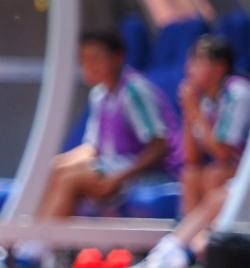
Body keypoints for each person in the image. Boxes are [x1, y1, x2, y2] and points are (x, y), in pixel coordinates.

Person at [31, 31, 176, 226]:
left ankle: (37, 247)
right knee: (47, 171)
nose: (89, 66)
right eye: (83, 59)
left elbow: (160, 146)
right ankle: (38, 240)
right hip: (111, 167)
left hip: (142, 174)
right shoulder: (99, 95)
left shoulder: (135, 90)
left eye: (95, 58)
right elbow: (93, 148)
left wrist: (119, 178)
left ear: (117, 57)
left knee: (71, 180)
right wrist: (54, 164)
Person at [177, 34, 250, 216]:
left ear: (219, 67)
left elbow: (223, 152)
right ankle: (192, 240)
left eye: (198, 60)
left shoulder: (237, 91)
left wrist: (194, 110)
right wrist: (189, 111)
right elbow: (191, 158)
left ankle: (215, 239)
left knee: (214, 174)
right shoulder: (204, 100)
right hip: (228, 168)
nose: (189, 68)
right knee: (191, 175)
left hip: (243, 169)